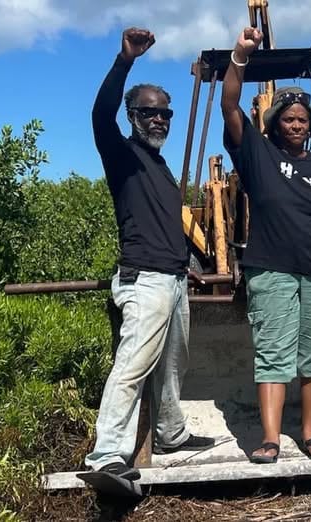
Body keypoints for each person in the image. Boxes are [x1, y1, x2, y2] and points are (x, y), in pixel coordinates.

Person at [220, 27, 311, 464]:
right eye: (288, 119)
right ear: (275, 124)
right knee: (275, 353)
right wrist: (240, 56)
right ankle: (270, 438)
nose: (296, 124)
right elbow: (229, 104)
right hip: (273, 269)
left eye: (302, 119)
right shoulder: (259, 155)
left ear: (310, 125)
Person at [83, 27, 216, 481]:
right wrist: (125, 61)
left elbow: (164, 225)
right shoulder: (122, 154)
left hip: (174, 277)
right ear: (133, 116)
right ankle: (106, 455)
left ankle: (170, 432)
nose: (160, 120)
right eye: (149, 113)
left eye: (165, 114)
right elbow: (100, 115)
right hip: (145, 279)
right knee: (134, 364)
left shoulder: (158, 167)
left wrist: (187, 266)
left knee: (173, 364)